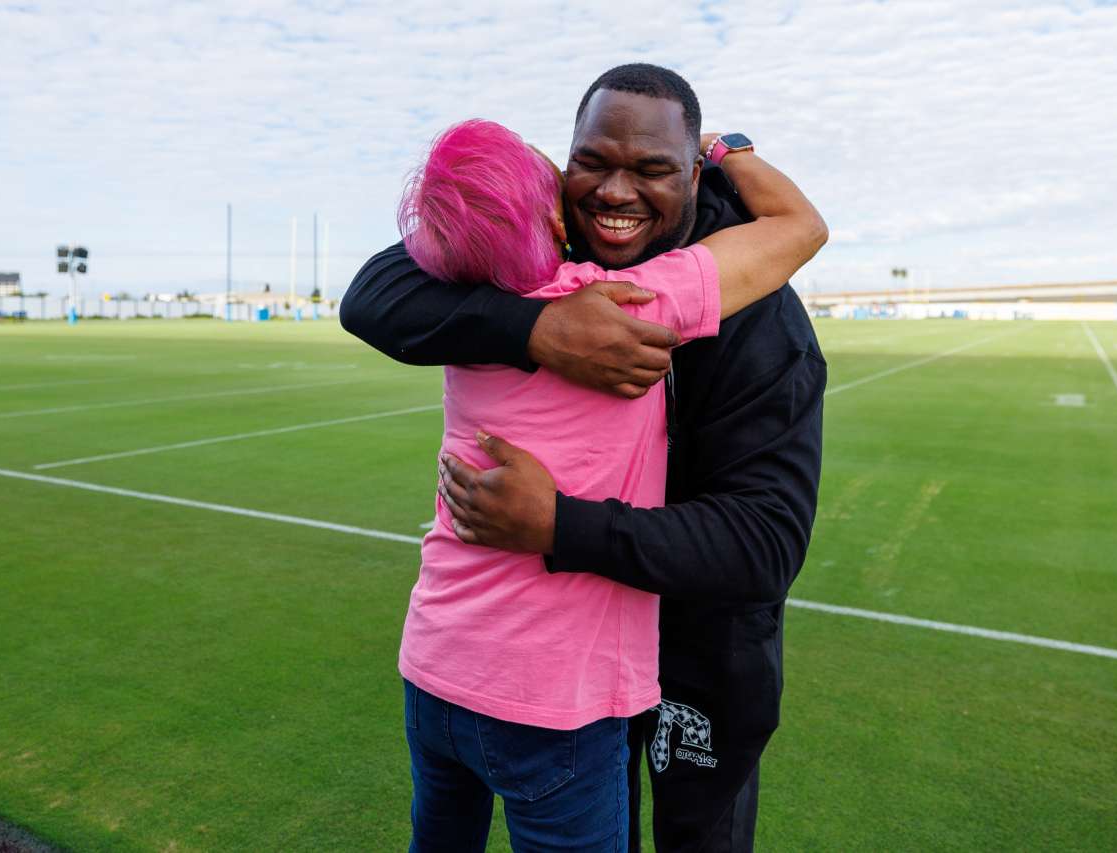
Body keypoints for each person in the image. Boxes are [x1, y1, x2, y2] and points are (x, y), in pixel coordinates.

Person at [342, 63, 827, 852]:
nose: (614, 191)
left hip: (685, 647)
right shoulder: (581, 284)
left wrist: (559, 524)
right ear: (559, 182)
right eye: (590, 164)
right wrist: (540, 330)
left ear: (693, 178)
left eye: (652, 169)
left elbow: (763, 543)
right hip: (564, 681)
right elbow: (371, 292)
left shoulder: (760, 319)